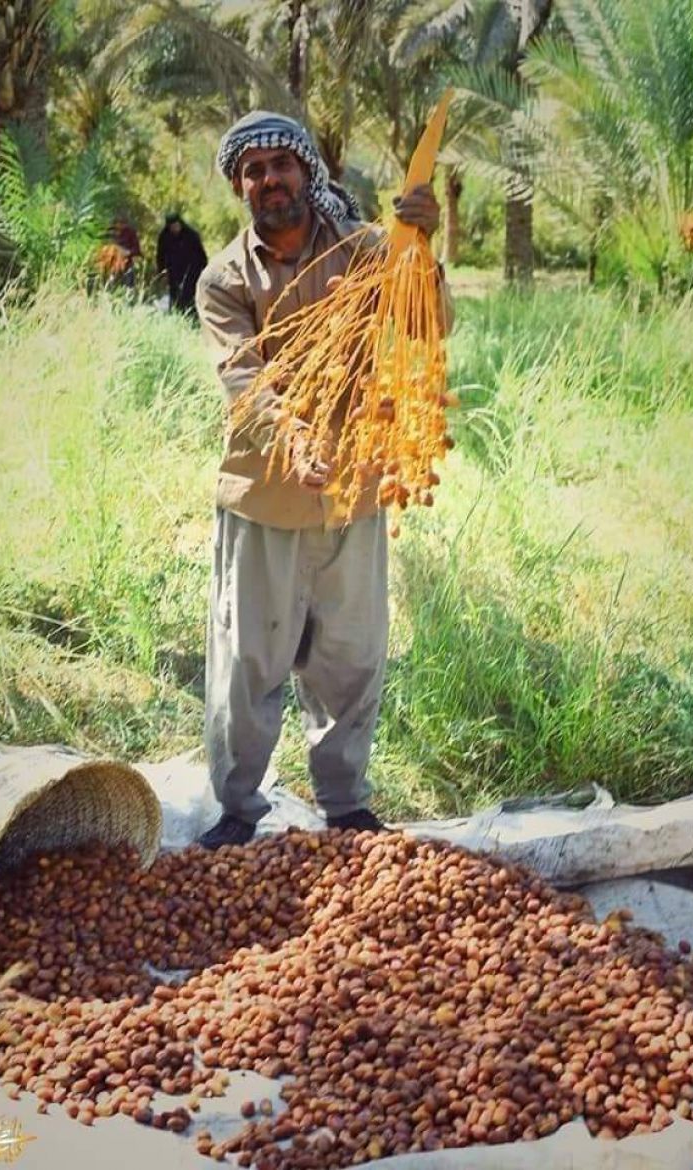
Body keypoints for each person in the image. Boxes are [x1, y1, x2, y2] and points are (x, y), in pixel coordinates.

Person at [195, 110, 451, 849]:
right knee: (249, 662)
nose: (269, 179)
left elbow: (429, 322)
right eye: (254, 171)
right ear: (240, 187)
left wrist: (420, 247)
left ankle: (345, 806)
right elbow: (243, 380)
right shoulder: (224, 279)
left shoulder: (367, 251)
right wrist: (293, 438)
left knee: (351, 656)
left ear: (306, 170)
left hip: (355, 490)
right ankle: (236, 811)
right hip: (267, 496)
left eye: (282, 164)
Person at [156, 213, 208, 315]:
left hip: (192, 268)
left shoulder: (191, 235)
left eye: (176, 225)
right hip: (173, 269)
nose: (174, 229)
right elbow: (160, 255)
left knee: (189, 293)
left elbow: (201, 254)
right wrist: (161, 272)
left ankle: (191, 314)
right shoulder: (164, 236)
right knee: (175, 294)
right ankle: (177, 314)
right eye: (172, 227)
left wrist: (204, 269)